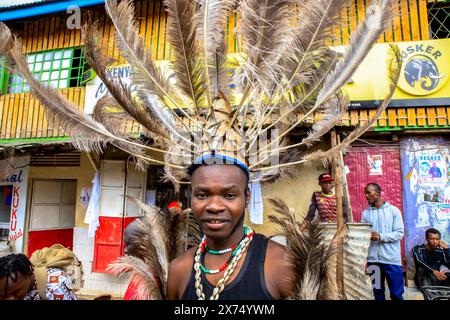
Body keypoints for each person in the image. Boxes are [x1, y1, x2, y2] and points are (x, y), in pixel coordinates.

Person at [166, 155, 294, 300]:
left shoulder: (282, 263)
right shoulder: (178, 269)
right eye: (202, 195)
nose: (214, 206)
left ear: (247, 197)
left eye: (229, 195)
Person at [361, 183, 404, 301]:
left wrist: (381, 236)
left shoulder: (394, 211)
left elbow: (399, 234)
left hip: (392, 261)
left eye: (368, 192)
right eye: (365, 193)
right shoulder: (365, 213)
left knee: (396, 294)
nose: (366, 195)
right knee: (378, 295)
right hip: (373, 261)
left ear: (378, 194)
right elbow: (363, 234)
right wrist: (366, 235)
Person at [0, 253, 77, 300]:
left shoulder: (54, 289)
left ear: (29, 273)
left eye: (15, 292)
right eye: (3, 295)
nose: (9, 298)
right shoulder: (27, 285)